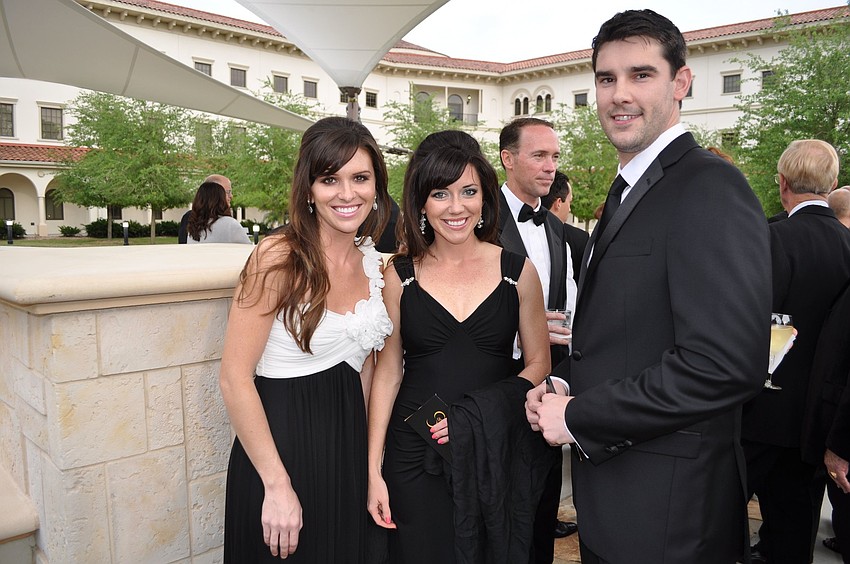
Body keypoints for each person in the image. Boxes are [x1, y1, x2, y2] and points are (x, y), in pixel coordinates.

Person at [525, 9, 771, 563]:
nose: (619, 94)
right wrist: (566, 384)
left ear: (680, 82)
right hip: (622, 507)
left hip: (671, 519)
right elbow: (633, 334)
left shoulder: (709, 187)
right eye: (606, 78)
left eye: (641, 75)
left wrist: (580, 417)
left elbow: (724, 365)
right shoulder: (631, 189)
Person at [367, 133, 553, 563]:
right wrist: (373, 469)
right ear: (421, 204)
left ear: (485, 198)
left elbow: (539, 363)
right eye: (440, 194)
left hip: (492, 450)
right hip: (414, 451)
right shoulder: (399, 275)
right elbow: (388, 372)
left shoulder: (517, 272)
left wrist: (474, 417)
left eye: (468, 192)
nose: (456, 207)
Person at [219, 116, 393, 562]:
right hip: (281, 454)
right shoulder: (278, 257)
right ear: (309, 189)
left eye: (360, 178)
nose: (347, 193)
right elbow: (234, 379)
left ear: (377, 186)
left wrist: (371, 470)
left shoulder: (374, 265)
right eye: (330, 179)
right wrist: (277, 486)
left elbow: (366, 371)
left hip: (346, 452)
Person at [742, 140, 850, 564]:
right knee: (795, 536)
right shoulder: (847, 246)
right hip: (817, 422)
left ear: (782, 183)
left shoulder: (766, 239)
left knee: (717, 524)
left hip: (755, 412)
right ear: (832, 184)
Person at [497, 117, 577, 557]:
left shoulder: (556, 228)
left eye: (555, 157)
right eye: (539, 155)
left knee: (542, 517)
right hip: (495, 385)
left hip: (548, 390)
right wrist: (521, 330)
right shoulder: (477, 219)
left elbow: (569, 301)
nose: (551, 166)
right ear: (508, 159)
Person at [542, 170, 590, 280]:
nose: (570, 209)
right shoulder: (579, 239)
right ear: (559, 203)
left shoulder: (520, 229)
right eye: (570, 202)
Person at [186, 181, 251, 244]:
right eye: (226, 193)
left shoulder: (193, 229)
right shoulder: (230, 224)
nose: (230, 196)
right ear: (220, 200)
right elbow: (248, 249)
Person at [179, 174, 233, 244]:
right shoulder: (190, 218)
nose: (231, 196)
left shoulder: (227, 221)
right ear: (213, 192)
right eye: (228, 192)